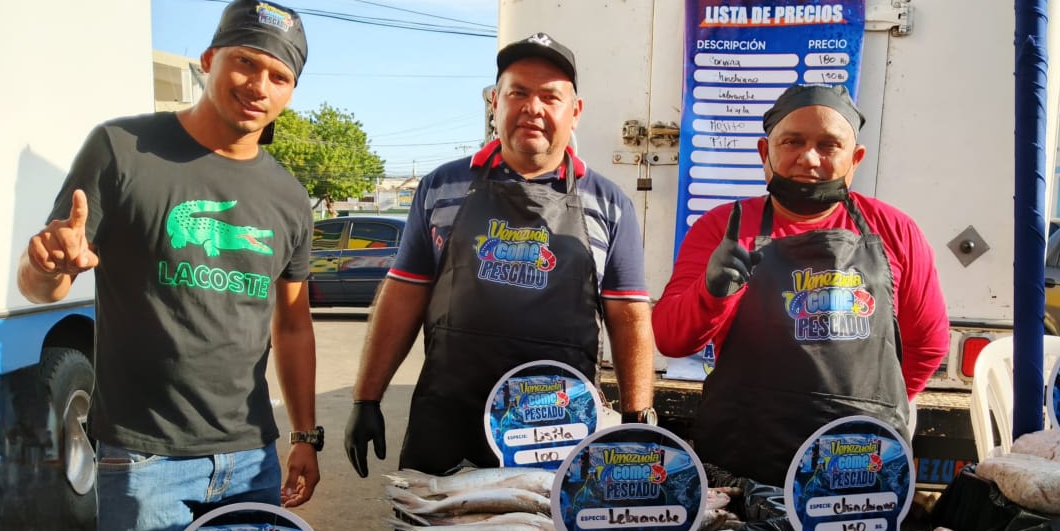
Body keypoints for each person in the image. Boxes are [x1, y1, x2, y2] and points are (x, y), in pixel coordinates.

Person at [16, 0, 322, 531]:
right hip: (144, 462)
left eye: (279, 75)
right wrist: (46, 262)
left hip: (250, 460)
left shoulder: (288, 196)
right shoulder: (121, 149)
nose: (259, 84)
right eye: (245, 62)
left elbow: (292, 326)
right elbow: (43, 284)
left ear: (289, 92)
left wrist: (305, 438)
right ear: (208, 60)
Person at [345, 32, 655, 476]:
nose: (533, 108)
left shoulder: (608, 203)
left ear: (576, 112)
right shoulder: (440, 188)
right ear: (495, 102)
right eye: (518, 93)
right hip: (448, 425)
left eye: (550, 96)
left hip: (555, 432)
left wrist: (636, 419)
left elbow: (629, 318)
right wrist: (366, 396)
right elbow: (402, 297)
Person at [652, 84, 949, 486]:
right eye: (792, 141)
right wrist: (711, 292)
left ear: (855, 159)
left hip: (858, 463)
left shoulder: (894, 230)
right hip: (745, 458)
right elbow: (671, 340)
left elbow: (928, 343)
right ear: (765, 152)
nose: (808, 158)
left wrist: (877, 409)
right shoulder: (723, 227)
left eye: (829, 145)